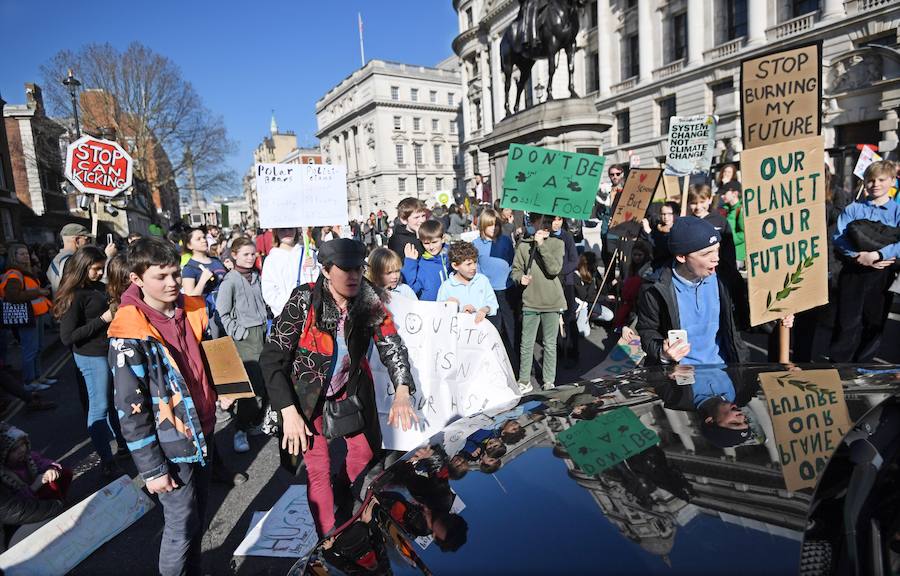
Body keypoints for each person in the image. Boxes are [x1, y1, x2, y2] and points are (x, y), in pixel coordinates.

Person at [260, 238, 419, 538]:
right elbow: (271, 359)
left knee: (363, 455)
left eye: (358, 268)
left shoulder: (368, 298)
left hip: (349, 390)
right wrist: (288, 411)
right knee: (318, 470)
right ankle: (328, 540)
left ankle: (347, 503)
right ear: (324, 270)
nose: (354, 276)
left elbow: (391, 345)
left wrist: (402, 390)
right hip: (304, 398)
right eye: (344, 269)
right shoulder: (303, 300)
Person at [108, 237, 224, 576]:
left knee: (197, 518)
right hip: (170, 443)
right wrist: (152, 469)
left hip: (204, 427)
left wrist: (227, 389)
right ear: (137, 279)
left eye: (175, 273)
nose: (172, 283)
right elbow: (131, 409)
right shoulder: (130, 331)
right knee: (180, 525)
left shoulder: (194, 308)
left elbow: (214, 355)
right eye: (161, 276)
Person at [636, 217, 751, 366]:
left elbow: (746, 319)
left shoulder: (727, 278)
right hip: (680, 379)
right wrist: (662, 353)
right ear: (681, 257)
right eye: (706, 253)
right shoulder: (654, 287)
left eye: (717, 250)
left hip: (725, 373)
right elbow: (647, 330)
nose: (716, 258)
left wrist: (776, 316)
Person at [55, 246, 126, 477]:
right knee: (100, 407)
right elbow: (68, 337)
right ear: (83, 267)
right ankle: (107, 460)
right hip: (90, 356)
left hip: (108, 350)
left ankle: (123, 446)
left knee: (117, 402)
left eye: (101, 268)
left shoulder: (98, 287)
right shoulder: (73, 295)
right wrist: (103, 319)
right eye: (95, 269)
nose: (99, 272)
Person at [830, 160, 900, 363]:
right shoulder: (853, 208)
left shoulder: (897, 211)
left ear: (893, 181)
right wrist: (858, 256)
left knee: (874, 323)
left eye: (881, 179)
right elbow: (838, 236)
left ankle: (863, 366)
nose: (875, 184)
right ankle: (839, 368)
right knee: (847, 321)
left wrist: (877, 256)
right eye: (870, 180)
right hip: (853, 272)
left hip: (882, 276)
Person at [215, 237, 269, 454]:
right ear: (234, 255)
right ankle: (240, 430)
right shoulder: (230, 281)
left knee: (266, 381)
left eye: (253, 253)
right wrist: (240, 332)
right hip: (246, 338)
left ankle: (255, 422)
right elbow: (223, 312)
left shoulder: (256, 277)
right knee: (252, 387)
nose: (250, 258)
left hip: (263, 332)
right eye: (245, 254)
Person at [511, 214, 565, 393]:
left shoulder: (558, 244)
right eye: (542, 221)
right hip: (530, 301)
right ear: (533, 222)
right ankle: (524, 380)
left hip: (551, 301)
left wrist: (541, 245)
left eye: (550, 222)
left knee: (550, 343)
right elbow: (515, 270)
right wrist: (520, 278)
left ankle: (549, 380)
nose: (547, 225)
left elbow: (554, 269)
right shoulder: (524, 245)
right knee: (526, 343)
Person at [1, 244, 54, 391]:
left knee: (37, 348)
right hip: (27, 317)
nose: (26, 256)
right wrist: (38, 292)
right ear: (14, 256)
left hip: (36, 315)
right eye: (21, 254)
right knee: (30, 350)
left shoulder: (26, 272)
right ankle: (29, 381)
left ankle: (38, 377)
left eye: (26, 253)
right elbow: (12, 297)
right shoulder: (14, 275)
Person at [472, 209, 516, 355]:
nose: (494, 228)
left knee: (511, 329)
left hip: (507, 290)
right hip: (489, 293)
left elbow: (512, 262)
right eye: (490, 225)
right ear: (483, 226)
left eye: (496, 225)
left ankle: (514, 361)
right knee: (493, 329)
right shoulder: (476, 244)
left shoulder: (505, 241)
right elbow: (476, 269)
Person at [0, 424, 72, 503]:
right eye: (14, 449)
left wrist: (50, 469)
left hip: (39, 490)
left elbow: (43, 462)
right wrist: (34, 486)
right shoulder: (4, 475)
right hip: (28, 504)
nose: (21, 450)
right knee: (49, 487)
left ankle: (61, 500)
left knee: (63, 473)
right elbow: (15, 501)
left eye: (22, 444)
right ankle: (55, 507)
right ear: (4, 454)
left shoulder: (29, 456)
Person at [261, 228, 320, 318]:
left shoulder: (308, 253)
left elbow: (316, 284)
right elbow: (269, 292)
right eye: (282, 230)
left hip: (309, 313)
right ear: (276, 232)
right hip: (285, 316)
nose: (287, 232)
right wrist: (287, 307)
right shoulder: (271, 259)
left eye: (290, 229)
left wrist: (314, 269)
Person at [180, 228, 228, 337]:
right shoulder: (189, 268)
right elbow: (190, 295)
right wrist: (202, 280)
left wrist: (229, 270)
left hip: (227, 309)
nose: (204, 240)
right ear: (189, 245)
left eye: (204, 237)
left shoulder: (215, 260)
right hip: (210, 315)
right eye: (198, 239)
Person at [437, 242, 498, 325]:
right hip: (458, 331)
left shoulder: (482, 280)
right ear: (455, 266)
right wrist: (450, 306)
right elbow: (440, 313)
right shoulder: (446, 287)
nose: (474, 267)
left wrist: (485, 309)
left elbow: (493, 304)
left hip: (481, 331)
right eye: (468, 264)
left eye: (475, 262)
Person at [551, 216, 581, 364]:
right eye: (553, 220)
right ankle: (557, 351)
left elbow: (574, 260)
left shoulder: (567, 236)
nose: (556, 223)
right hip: (551, 284)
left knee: (570, 318)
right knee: (553, 319)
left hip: (567, 282)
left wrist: (559, 271)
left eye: (559, 220)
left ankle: (573, 350)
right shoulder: (545, 236)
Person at [401, 220, 450, 302]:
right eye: (426, 243)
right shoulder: (423, 265)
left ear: (443, 239)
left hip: (452, 306)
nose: (431, 247)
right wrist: (410, 263)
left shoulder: (452, 256)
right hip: (431, 309)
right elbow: (410, 290)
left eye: (434, 242)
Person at [46, 224, 93, 296]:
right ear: (77, 240)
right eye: (86, 239)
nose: (89, 243)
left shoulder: (58, 259)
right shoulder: (72, 260)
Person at [717, 180, 745, 267]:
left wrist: (730, 240)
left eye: (725, 193)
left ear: (735, 193)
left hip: (738, 255)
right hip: (728, 253)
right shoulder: (725, 209)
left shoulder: (741, 209)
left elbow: (745, 233)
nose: (722, 196)